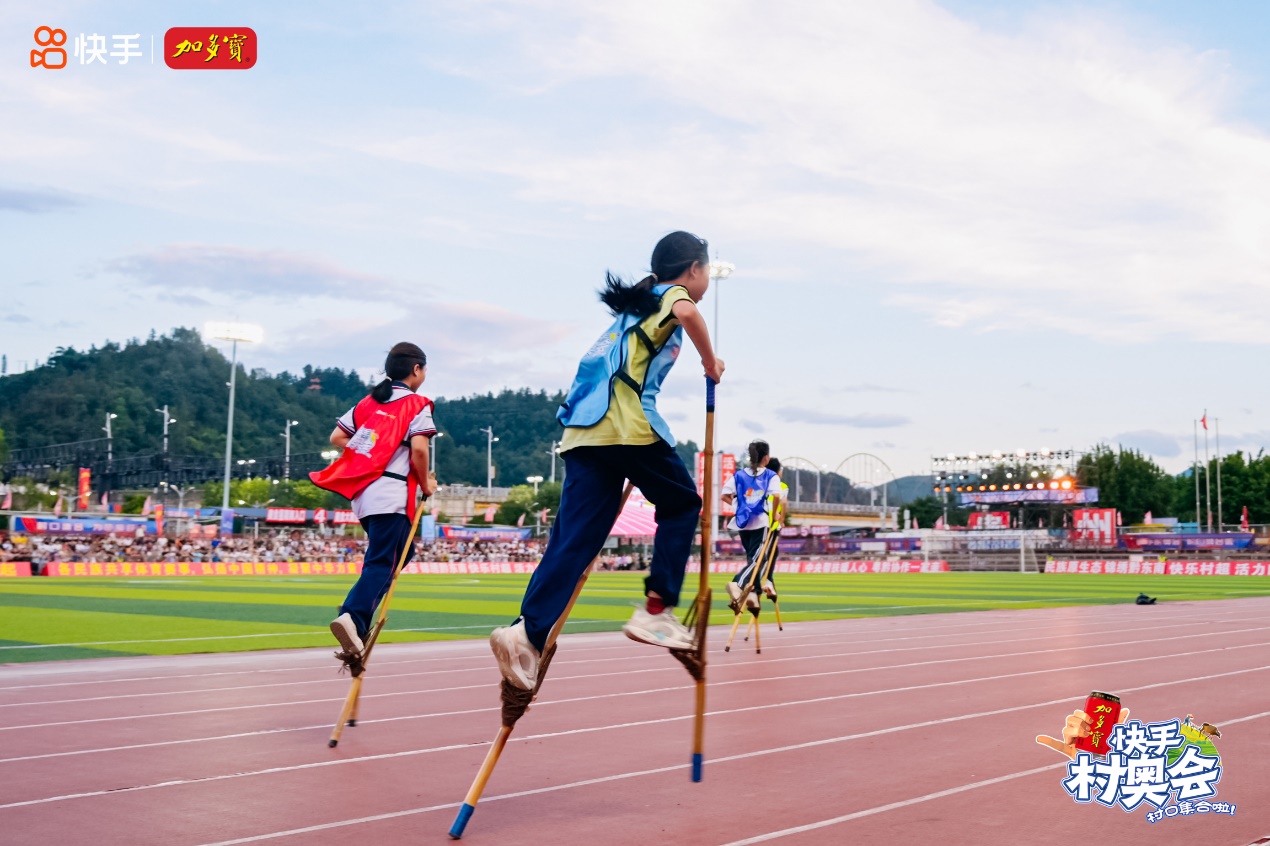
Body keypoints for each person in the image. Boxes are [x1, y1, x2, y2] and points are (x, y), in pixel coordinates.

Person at [490, 231, 725, 690]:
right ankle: (656, 612)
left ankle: (525, 633)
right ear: (694, 269)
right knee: (681, 506)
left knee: (573, 540)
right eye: (706, 271)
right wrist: (710, 363)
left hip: (582, 432)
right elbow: (688, 311)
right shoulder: (669, 294)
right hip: (626, 425)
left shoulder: (631, 308)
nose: (705, 280)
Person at [310, 342, 437, 659]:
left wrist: (372, 443)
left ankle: (356, 616)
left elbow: (337, 437)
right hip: (391, 493)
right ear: (417, 369)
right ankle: (352, 616)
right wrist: (427, 482)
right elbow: (420, 450)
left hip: (365, 494)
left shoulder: (370, 402)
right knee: (383, 561)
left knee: (400, 555)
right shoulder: (417, 403)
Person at [722, 441, 783, 613]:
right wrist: (775, 515)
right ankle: (737, 583)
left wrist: (738, 506)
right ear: (766, 458)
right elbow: (776, 496)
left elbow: (724, 495)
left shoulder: (739, 475)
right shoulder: (771, 475)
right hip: (760, 522)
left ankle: (749, 595)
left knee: (752, 559)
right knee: (759, 560)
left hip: (742, 524)